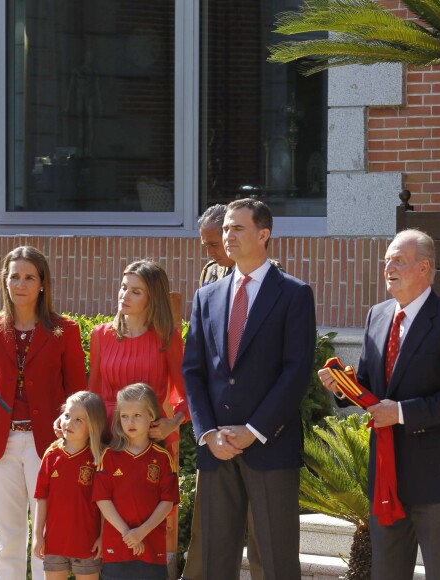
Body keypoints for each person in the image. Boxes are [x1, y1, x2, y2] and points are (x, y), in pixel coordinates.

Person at [318, 229, 440, 580]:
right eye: (387, 260)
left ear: (424, 267)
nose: (389, 267)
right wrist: (342, 388)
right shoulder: (378, 315)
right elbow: (369, 387)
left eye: (399, 261)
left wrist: (401, 413)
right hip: (387, 479)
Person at [183, 198, 316, 580]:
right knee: (213, 559)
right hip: (216, 450)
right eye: (225, 228)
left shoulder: (293, 294)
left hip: (270, 446)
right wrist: (207, 433)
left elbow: (295, 373)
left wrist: (253, 431)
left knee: (274, 560)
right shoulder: (206, 297)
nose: (228, 236)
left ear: (263, 234)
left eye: (237, 228)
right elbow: (193, 371)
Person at [0, 246, 87, 580]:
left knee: (47, 539)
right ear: (5, 282)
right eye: (14, 277)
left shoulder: (65, 330)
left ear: (42, 284)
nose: (20, 284)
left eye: (29, 277)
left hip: (51, 444)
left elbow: (78, 392)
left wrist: (75, 443)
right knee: (8, 540)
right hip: (3, 445)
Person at [87, 259, 189, 557]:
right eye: (123, 287)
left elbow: (184, 393)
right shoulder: (100, 335)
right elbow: (91, 392)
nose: (124, 296)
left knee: (147, 530)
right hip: (107, 439)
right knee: (100, 527)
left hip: (149, 441)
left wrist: (174, 421)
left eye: (135, 291)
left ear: (152, 298)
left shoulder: (167, 337)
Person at [93, 383, 180, 580]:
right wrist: (127, 533)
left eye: (137, 416)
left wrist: (141, 532)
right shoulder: (109, 456)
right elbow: (102, 499)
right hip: (116, 548)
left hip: (151, 548)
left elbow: (168, 502)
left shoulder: (163, 458)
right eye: (124, 416)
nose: (130, 421)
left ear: (151, 416)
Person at [33, 391, 108, 579]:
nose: (69, 423)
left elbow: (106, 503)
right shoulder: (51, 455)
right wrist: (37, 535)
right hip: (54, 543)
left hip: (88, 543)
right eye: (67, 416)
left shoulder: (100, 458)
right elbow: (41, 497)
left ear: (93, 426)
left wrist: (103, 535)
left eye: (78, 420)